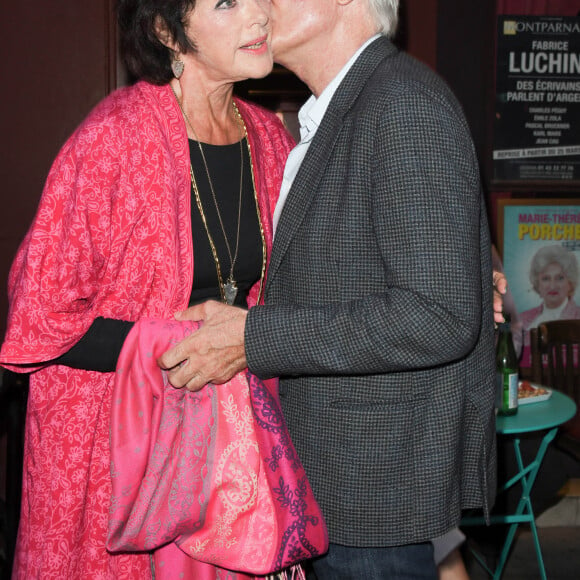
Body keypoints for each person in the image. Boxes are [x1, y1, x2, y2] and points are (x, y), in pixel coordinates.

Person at [158, 0, 497, 578]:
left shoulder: (402, 104)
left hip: (375, 498)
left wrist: (253, 338)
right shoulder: (343, 107)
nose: (260, 5)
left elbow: (438, 314)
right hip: (334, 486)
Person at [0, 0, 297, 578]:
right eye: (227, 3)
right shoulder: (112, 141)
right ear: (167, 31)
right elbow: (38, 321)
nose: (260, 13)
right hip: (122, 452)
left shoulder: (270, 139)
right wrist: (173, 339)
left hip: (232, 450)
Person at [519, 244, 580, 367]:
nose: (552, 286)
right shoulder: (523, 320)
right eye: (546, 278)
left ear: (570, 282)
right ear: (537, 283)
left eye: (560, 278)